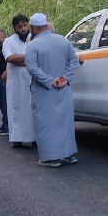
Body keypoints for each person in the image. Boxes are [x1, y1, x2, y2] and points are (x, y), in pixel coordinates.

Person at [25, 13, 80, 167]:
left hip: (44, 91)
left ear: (34, 28)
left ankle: (50, 158)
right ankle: (69, 154)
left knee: (45, 123)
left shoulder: (32, 45)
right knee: (65, 122)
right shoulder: (64, 41)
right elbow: (74, 61)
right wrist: (65, 78)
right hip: (64, 88)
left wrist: (50, 80)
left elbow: (32, 68)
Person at [3, 14, 36, 148]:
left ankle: (34, 138)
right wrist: (30, 59)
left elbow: (39, 57)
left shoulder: (34, 39)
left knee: (32, 109)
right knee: (16, 109)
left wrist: (22, 60)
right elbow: (10, 59)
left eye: (24, 25)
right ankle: (17, 138)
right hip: (16, 83)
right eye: (19, 26)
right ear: (14, 28)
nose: (23, 29)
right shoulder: (9, 41)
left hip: (32, 80)